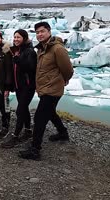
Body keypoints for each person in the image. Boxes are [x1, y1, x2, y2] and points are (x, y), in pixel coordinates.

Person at [19, 22, 74, 160]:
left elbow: (68, 69)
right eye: (37, 32)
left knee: (39, 118)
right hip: (45, 87)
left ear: (49, 31)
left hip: (52, 88)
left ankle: (35, 149)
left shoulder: (57, 49)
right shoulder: (41, 49)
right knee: (50, 112)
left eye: (42, 31)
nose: (40, 34)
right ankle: (63, 133)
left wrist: (64, 80)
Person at [1, 29, 37, 148]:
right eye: (15, 37)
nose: (16, 39)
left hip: (28, 86)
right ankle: (27, 131)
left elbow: (31, 68)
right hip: (18, 86)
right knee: (24, 109)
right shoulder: (18, 50)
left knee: (20, 110)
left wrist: (18, 60)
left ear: (24, 38)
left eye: (19, 37)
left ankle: (15, 136)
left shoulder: (29, 51)